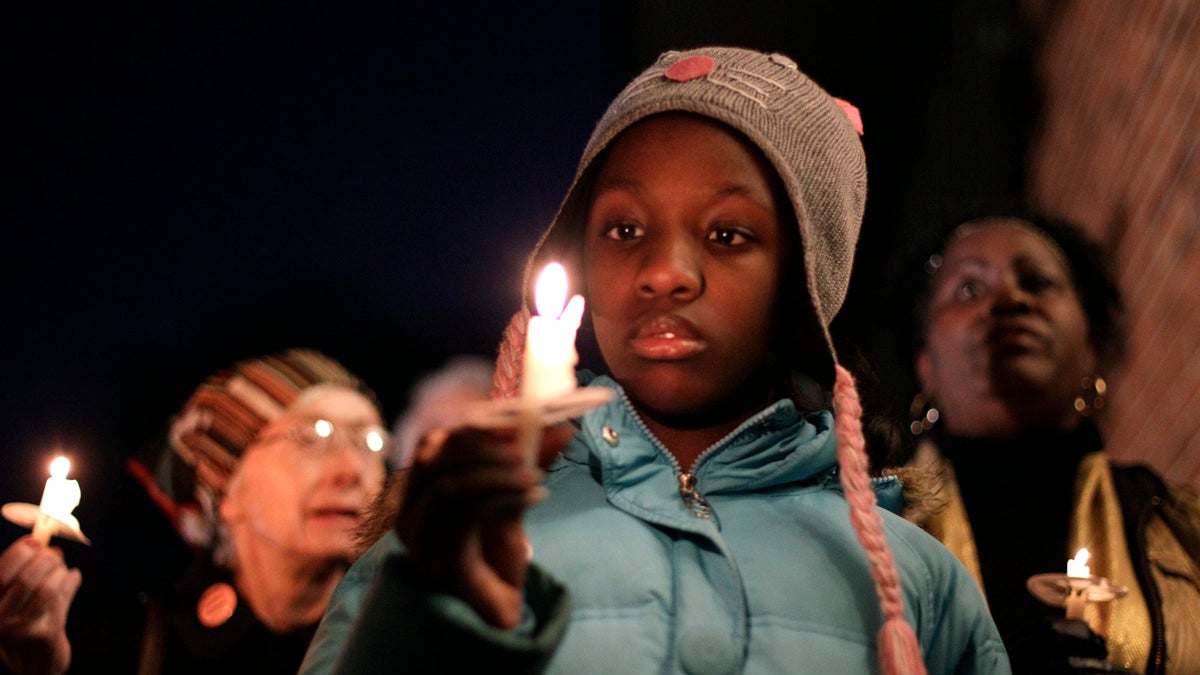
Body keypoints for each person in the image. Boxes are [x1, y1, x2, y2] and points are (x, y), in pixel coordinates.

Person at [300, 46, 1009, 674]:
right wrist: (418, 616)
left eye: (728, 234)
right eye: (625, 228)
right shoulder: (458, 541)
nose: (664, 272)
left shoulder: (916, 585)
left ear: (800, 282)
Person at [902, 213, 1200, 673]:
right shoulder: (871, 529)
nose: (1007, 300)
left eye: (1038, 283)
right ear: (925, 365)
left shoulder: (1181, 532)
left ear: (1092, 349)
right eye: (969, 289)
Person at [0, 348, 389, 674]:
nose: (353, 470)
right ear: (225, 490)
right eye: (313, 435)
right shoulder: (134, 648)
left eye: (370, 441)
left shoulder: (407, 641)